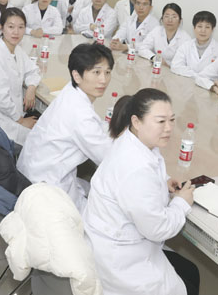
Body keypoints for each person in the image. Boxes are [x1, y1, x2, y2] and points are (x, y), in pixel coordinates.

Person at [84, 89, 200, 295]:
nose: (168, 128)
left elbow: (142, 176)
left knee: (190, 272)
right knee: (189, 281)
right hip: (121, 264)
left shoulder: (133, 142)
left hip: (116, 245)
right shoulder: (135, 168)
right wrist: (182, 203)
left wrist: (162, 181)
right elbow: (158, 228)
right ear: (136, 121)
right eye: (161, 121)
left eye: (172, 120)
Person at [17, 43, 115, 212]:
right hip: (45, 190)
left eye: (107, 72)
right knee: (108, 209)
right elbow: (109, 157)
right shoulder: (80, 114)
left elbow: (96, 126)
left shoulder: (72, 92)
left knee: (92, 190)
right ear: (77, 75)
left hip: (36, 172)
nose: (103, 80)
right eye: (96, 72)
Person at [0, 8, 41, 144]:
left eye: (21, 27)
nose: (16, 32)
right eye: (11, 27)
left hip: (13, 113)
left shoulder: (16, 50)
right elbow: (0, 99)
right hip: (1, 120)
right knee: (42, 137)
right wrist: (20, 120)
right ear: (1, 28)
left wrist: (31, 87)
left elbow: (33, 70)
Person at [171, 11, 218, 78]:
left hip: (208, 84)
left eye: (207, 27)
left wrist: (194, 75)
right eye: (200, 26)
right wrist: (196, 75)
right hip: (187, 82)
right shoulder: (186, 46)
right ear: (194, 28)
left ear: (213, 29)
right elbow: (175, 66)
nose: (203, 30)